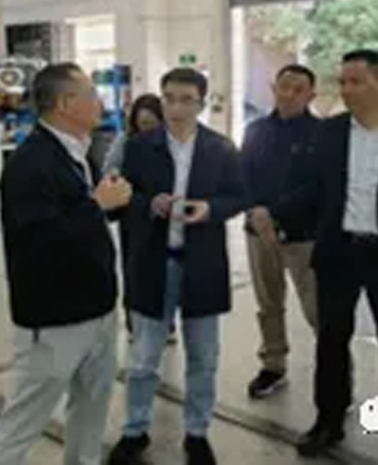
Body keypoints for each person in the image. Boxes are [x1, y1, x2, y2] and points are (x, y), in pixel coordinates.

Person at [252, 50, 378, 465]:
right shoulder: (331, 133)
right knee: (331, 340)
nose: (347, 90)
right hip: (339, 252)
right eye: (342, 82)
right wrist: (276, 211)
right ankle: (329, 420)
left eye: (356, 81)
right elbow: (315, 188)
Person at [0, 63, 132, 465]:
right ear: (65, 104)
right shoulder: (29, 165)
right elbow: (39, 242)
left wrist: (111, 204)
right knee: (24, 420)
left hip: (96, 307)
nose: (100, 102)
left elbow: (85, 218)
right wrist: (96, 205)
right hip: (54, 320)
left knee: (91, 410)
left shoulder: (78, 151)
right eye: (91, 95)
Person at [108, 68, 244, 465]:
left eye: (186, 100)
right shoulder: (139, 147)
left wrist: (210, 209)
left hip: (202, 264)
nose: (176, 108)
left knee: (203, 357)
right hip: (154, 262)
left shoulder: (221, 148)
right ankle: (135, 429)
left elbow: (239, 196)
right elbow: (120, 199)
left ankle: (197, 432)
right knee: (143, 359)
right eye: (169, 98)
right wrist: (148, 204)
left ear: (202, 103)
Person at [241, 64, 320, 399]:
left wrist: (274, 213)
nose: (289, 94)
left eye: (298, 89)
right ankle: (273, 365)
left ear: (311, 95)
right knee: (268, 303)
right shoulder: (255, 130)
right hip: (258, 234)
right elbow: (242, 175)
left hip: (305, 236)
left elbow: (319, 185)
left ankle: (335, 369)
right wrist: (255, 212)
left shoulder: (323, 133)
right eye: (283, 87)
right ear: (274, 88)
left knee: (317, 308)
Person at [102, 93, 174, 339]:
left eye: (153, 124)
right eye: (143, 124)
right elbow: (110, 172)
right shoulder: (126, 143)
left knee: (165, 270)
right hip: (133, 216)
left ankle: (166, 321)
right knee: (134, 269)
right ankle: (134, 321)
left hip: (164, 216)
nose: (147, 130)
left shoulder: (169, 143)